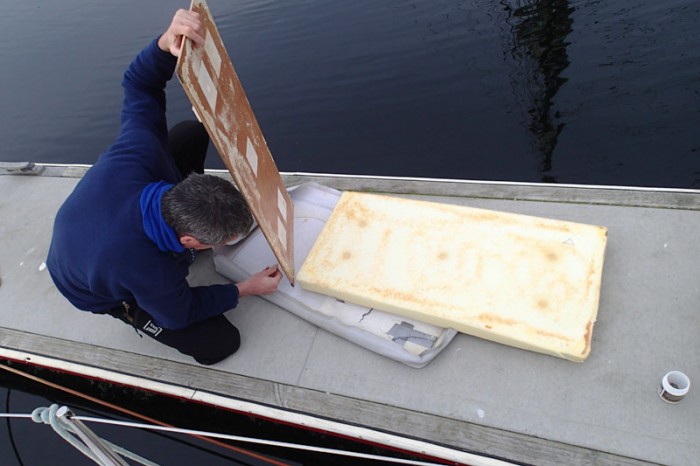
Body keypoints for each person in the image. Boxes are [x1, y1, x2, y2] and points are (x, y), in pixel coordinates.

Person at [46, 10, 282, 365]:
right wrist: (244, 289)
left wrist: (164, 44)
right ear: (189, 241)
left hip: (102, 213)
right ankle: (129, 312)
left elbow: (139, 84)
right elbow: (180, 314)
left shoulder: (140, 148)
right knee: (219, 343)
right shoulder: (146, 267)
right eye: (217, 241)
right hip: (93, 284)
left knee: (189, 132)